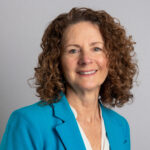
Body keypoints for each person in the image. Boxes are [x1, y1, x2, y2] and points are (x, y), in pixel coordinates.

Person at [0, 7, 137, 150]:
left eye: (96, 48)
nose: (85, 59)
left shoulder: (120, 126)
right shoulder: (28, 123)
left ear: (112, 57)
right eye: (73, 50)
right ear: (57, 61)